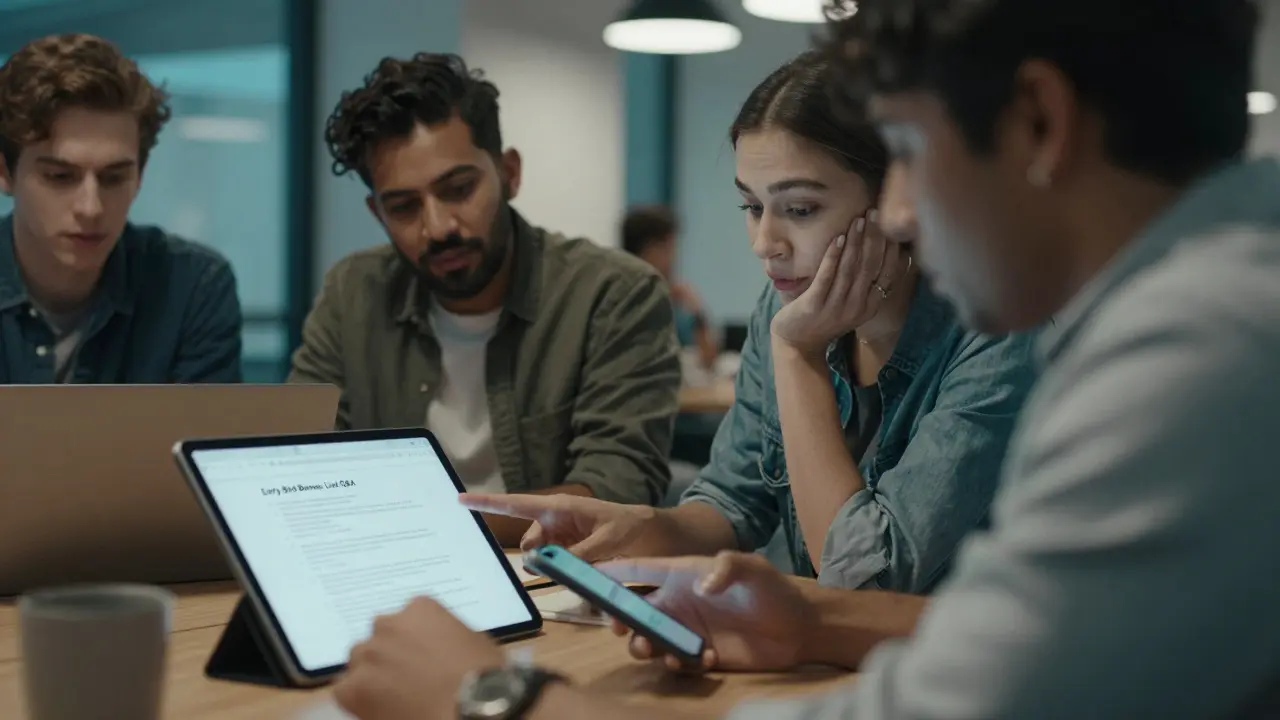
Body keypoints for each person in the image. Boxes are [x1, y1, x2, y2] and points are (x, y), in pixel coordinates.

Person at [330, 0, 1280, 718]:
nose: (899, 212)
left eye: (907, 149)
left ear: (1037, 120)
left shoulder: (1194, 355)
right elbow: (1024, 642)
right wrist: (815, 618)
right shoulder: (1207, 305)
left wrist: (493, 696)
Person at [466, 51, 1038, 591]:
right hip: (815, 642)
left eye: (800, 209)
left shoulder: (998, 332)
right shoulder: (785, 309)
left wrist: (797, 355)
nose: (765, 243)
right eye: (752, 206)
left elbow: (869, 580)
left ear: (896, 198)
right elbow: (733, 502)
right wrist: (639, 526)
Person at [288, 53, 682, 545]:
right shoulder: (353, 292)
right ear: (377, 213)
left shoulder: (613, 293)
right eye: (404, 207)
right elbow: (299, 464)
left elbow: (615, 491)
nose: (438, 228)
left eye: (458, 189)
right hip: (384, 567)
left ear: (509, 173)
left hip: (551, 574)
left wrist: (415, 526)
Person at [0, 33, 242, 384]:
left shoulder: (192, 287)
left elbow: (207, 422)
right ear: (5, 173)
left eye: (113, 178)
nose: (91, 208)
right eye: (60, 176)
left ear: (140, 176)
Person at [621, 205, 720, 370]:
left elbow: (709, 359)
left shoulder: (675, 300)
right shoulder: (624, 301)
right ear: (648, 250)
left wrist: (697, 312)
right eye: (668, 248)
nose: (673, 257)